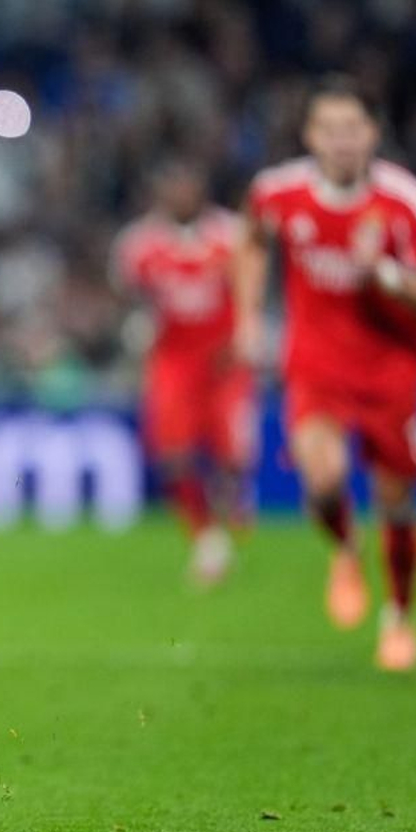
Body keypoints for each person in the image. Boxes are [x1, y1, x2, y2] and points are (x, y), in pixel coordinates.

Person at [235, 76, 416, 671]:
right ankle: (346, 548)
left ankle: (400, 618)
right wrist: (250, 318)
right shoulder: (277, 192)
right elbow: (252, 243)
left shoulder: (404, 202)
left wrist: (385, 272)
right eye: (329, 129)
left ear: (373, 134)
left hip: (389, 368)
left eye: (352, 129)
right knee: (323, 479)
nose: (341, 141)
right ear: (310, 135)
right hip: (315, 364)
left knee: (395, 501)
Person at [111, 157, 257, 586]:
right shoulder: (139, 244)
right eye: (173, 186)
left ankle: (234, 494)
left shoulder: (230, 236)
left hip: (224, 362)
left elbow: (249, 288)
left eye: (188, 185)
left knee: (232, 458)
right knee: (173, 456)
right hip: (173, 362)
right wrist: (137, 326)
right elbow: (127, 295)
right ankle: (207, 541)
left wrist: (248, 333)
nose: (181, 194)